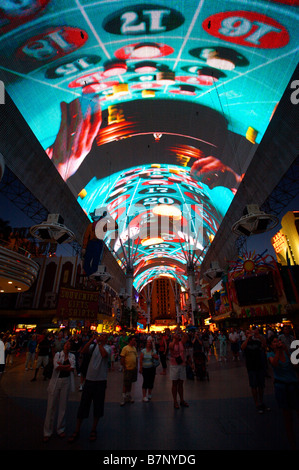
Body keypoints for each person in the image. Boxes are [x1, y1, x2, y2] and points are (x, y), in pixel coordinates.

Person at [68, 333, 111, 443]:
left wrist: (99, 343)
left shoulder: (108, 348)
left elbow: (104, 355)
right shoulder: (93, 347)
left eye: (105, 336)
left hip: (101, 380)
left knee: (98, 406)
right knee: (83, 405)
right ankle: (77, 430)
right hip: (90, 379)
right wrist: (91, 339)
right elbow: (82, 351)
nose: (102, 337)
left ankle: (93, 429)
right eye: (101, 335)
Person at [267, 335, 299, 450]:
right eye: (275, 342)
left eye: (278, 341)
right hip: (282, 387)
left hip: (293, 385)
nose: (277, 343)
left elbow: (296, 365)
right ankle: (292, 444)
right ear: (271, 345)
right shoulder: (270, 355)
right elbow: (274, 364)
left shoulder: (287, 353)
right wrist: (278, 352)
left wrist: (286, 351)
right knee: (288, 417)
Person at [43, 341, 75, 442]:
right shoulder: (58, 355)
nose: (67, 345)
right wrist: (66, 367)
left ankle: (60, 429)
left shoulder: (72, 356)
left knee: (63, 406)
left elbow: (72, 368)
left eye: (69, 344)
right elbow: (57, 367)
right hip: (56, 382)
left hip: (66, 382)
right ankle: (47, 431)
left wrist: (63, 366)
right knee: (51, 406)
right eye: (66, 344)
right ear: (63, 346)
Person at [241, 329, 269, 414]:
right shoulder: (245, 343)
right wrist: (247, 339)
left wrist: (259, 337)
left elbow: (264, 345)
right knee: (253, 386)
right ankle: (257, 403)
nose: (250, 334)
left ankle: (261, 402)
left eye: (250, 333)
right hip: (251, 367)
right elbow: (242, 348)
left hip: (259, 365)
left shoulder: (257, 342)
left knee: (261, 386)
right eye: (248, 333)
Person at [169, 332, 189, 409]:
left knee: (181, 383)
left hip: (182, 364)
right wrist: (174, 339)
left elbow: (186, 337)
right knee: (174, 383)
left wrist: (181, 331)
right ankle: (175, 401)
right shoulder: (171, 343)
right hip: (174, 365)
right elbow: (171, 347)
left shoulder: (181, 343)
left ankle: (181, 400)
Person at [120, 335, 138, 406]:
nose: (134, 341)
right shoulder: (125, 348)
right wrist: (124, 367)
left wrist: (136, 366)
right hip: (127, 369)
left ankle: (128, 395)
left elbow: (136, 358)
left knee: (130, 383)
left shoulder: (134, 348)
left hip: (133, 369)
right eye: (133, 340)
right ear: (130, 341)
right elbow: (122, 358)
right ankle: (123, 398)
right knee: (126, 383)